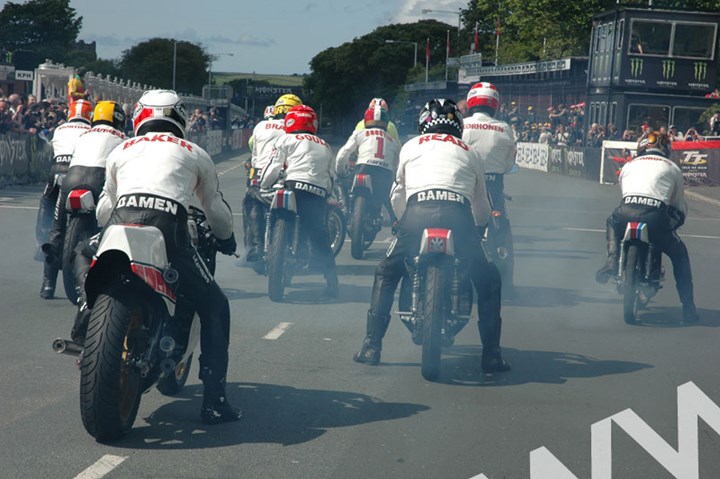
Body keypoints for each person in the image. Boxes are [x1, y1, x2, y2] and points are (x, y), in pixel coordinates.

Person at [94, 89, 241, 424]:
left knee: (92, 267)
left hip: (120, 220)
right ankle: (215, 401)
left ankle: (85, 319)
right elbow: (215, 211)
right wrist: (227, 239)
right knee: (216, 305)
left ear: (140, 117)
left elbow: (105, 207)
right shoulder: (194, 151)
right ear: (181, 118)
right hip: (168, 224)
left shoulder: (121, 149)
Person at [352, 98, 509, 373]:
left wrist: (400, 222)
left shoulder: (412, 145)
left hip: (417, 213)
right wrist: (479, 228)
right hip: (458, 216)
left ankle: (371, 346)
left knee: (386, 273)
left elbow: (397, 193)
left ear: (424, 122)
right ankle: (492, 355)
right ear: (457, 125)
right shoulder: (470, 151)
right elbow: (481, 202)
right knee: (489, 280)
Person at [595, 132, 699, 323]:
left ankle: (611, 261)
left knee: (611, 221)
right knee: (680, 255)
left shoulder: (629, 165)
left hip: (626, 211)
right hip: (655, 216)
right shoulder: (673, 168)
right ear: (666, 150)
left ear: (640, 149)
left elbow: (625, 192)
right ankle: (689, 308)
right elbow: (676, 204)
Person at [43, 101, 127, 299]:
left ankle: (47, 284)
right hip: (99, 180)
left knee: (57, 227)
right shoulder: (123, 138)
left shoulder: (83, 135)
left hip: (72, 178)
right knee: (112, 220)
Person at [260, 104, 339, 298]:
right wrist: (329, 194)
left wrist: (264, 184)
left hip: (293, 185)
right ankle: (332, 281)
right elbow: (331, 177)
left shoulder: (284, 139)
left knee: (269, 210)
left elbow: (273, 167)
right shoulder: (325, 145)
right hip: (317, 191)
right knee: (319, 235)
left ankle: (265, 250)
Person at [462, 82, 518, 297]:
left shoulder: (462, 124)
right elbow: (508, 164)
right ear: (494, 104)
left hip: (466, 183)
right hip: (493, 186)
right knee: (502, 228)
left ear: (471, 102)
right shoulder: (504, 128)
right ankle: (506, 280)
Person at [36, 99, 93, 299]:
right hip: (80, 175)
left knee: (50, 217)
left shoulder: (60, 129)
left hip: (57, 173)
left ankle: (48, 284)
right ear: (89, 115)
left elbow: (51, 149)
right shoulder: (92, 131)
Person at [243, 93, 302, 263]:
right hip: (286, 177)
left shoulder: (260, 126)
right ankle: (303, 247)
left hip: (260, 175)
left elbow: (252, 149)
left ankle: (255, 246)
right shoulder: (293, 130)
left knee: (250, 200)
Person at [335, 100, 401, 232]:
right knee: (388, 196)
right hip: (385, 173)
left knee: (340, 181)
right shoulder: (392, 139)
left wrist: (340, 171)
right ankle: (396, 222)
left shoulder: (360, 132)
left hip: (363, 167)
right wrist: (395, 178)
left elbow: (344, 153)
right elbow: (397, 159)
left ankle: (345, 210)